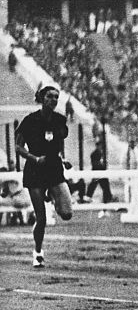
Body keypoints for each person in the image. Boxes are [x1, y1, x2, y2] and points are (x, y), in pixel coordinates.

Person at [15, 85, 74, 267]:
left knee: (67, 213)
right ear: (42, 98)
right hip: (35, 169)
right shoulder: (30, 120)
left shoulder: (59, 120)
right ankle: (38, 251)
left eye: (56, 97)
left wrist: (63, 159)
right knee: (41, 218)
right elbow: (18, 147)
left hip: (54, 168)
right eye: (50, 96)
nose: (54, 100)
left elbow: (58, 141)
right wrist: (33, 158)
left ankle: (52, 195)